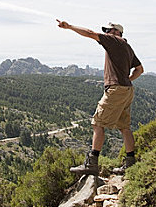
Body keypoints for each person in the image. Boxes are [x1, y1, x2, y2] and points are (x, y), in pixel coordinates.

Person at [56, 19, 144, 176]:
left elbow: (91, 33)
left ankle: (92, 164)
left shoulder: (114, 40)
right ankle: (130, 163)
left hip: (116, 89)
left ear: (115, 32)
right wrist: (127, 80)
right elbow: (139, 69)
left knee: (97, 124)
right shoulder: (127, 46)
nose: (105, 33)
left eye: (108, 31)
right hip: (127, 90)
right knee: (124, 127)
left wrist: (70, 27)